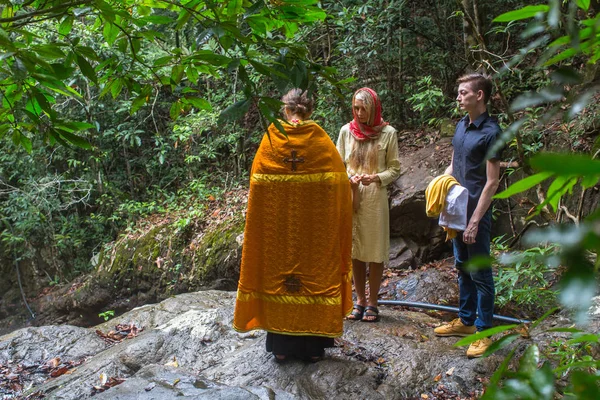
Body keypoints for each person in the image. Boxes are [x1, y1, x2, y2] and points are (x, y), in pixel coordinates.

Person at [233, 88, 353, 362]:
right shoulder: (320, 141)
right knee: (315, 275)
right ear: (310, 110)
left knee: (279, 277)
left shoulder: (273, 139)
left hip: (278, 233)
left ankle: (282, 348)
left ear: (285, 110)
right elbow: (340, 185)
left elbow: (257, 186)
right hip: (315, 233)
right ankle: (313, 350)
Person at [433, 73, 502, 358]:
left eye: (463, 93)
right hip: (456, 209)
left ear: (479, 96)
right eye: (459, 93)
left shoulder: (492, 133)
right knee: (462, 266)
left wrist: (475, 220)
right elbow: (454, 166)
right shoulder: (462, 125)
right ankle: (466, 321)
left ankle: (485, 331)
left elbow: (492, 181)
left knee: (481, 273)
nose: (459, 97)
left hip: (476, 213)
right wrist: (438, 187)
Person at [336, 88, 401, 322]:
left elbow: (395, 168)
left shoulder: (388, 133)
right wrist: (348, 179)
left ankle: (373, 302)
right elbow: (337, 164)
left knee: (374, 251)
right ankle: (359, 300)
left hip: (375, 196)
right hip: (352, 194)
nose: (360, 113)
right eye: (356, 108)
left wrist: (376, 178)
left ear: (373, 108)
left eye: (364, 108)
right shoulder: (346, 132)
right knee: (356, 250)